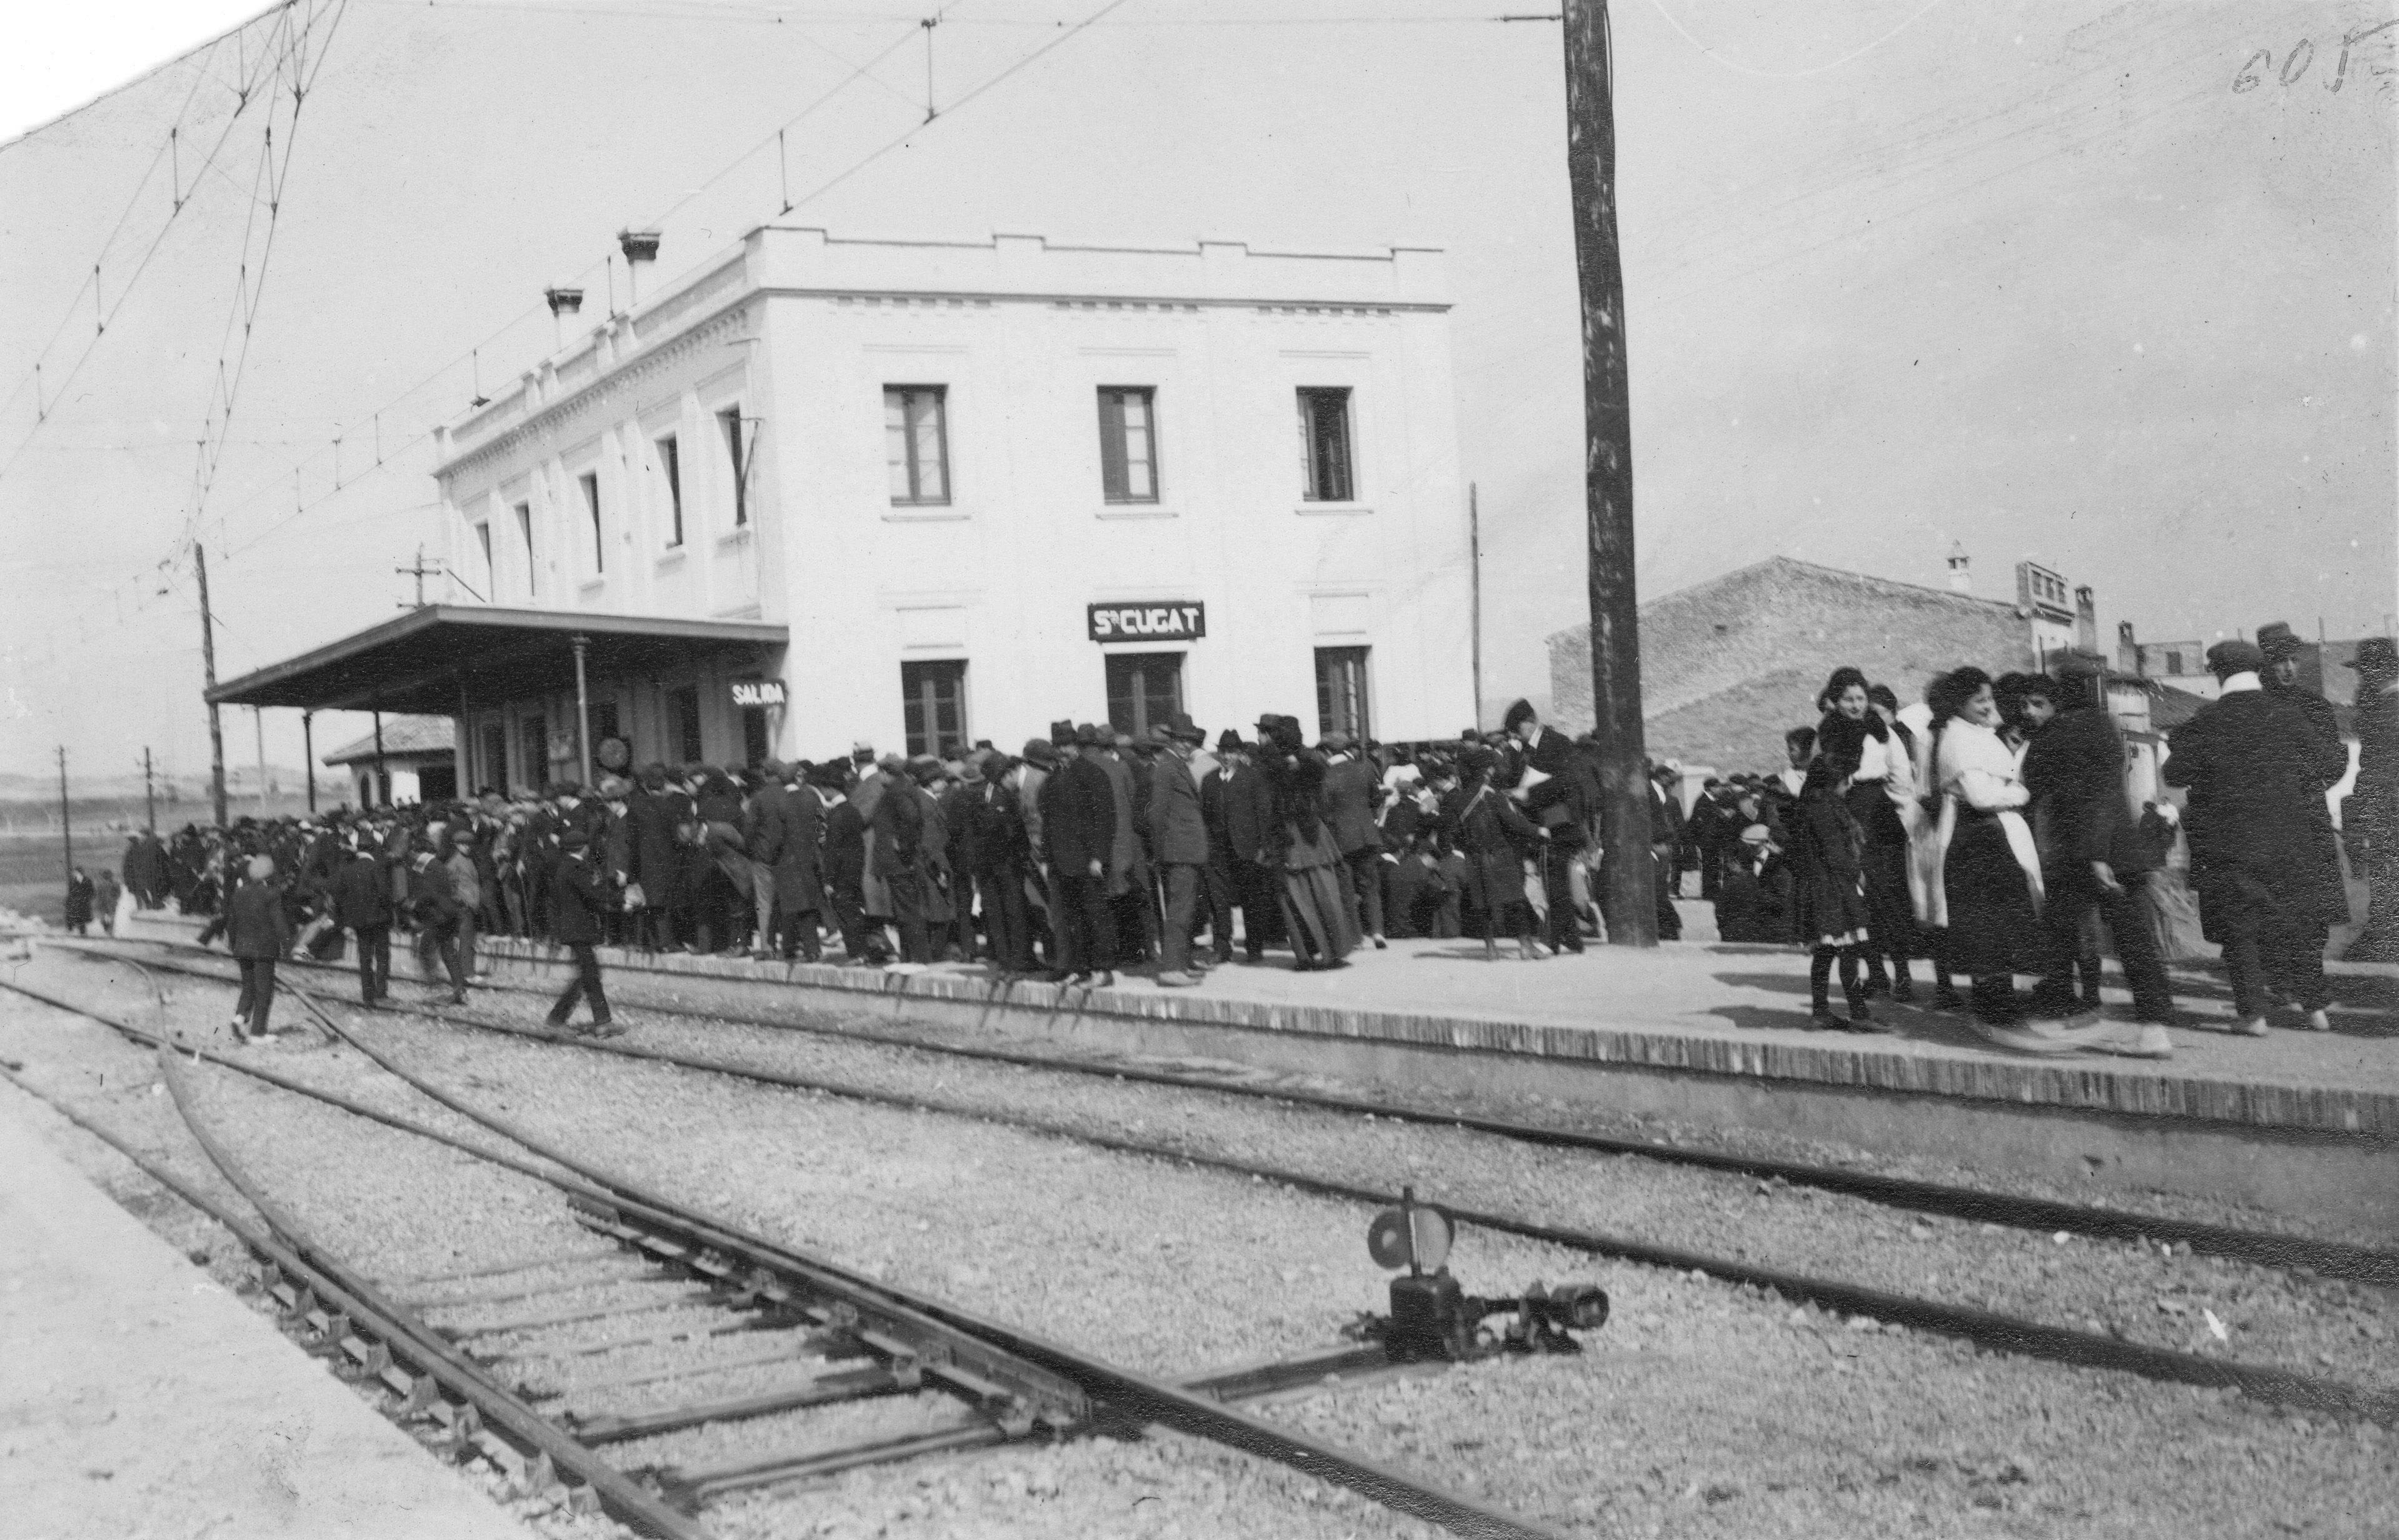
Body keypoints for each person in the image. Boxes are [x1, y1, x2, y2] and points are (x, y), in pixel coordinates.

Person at [2163, 639, 2350, 1034]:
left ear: (2218, 673)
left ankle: (2253, 1016)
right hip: (2292, 838)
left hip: (2228, 843)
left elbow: (2175, 775)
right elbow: (2331, 762)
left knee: (2240, 929)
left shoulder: (2207, 720)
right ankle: (2315, 1010)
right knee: (2296, 921)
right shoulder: (2286, 713)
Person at [2020, 654, 2176, 1058]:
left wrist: (2093, 854)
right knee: (2134, 939)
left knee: (2061, 934)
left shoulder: (2061, 732)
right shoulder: (2105, 726)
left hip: (2083, 853)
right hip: (2118, 848)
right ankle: (2153, 1026)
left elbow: (2064, 790)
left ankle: (2059, 1012)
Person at [1925, 667, 2057, 1046]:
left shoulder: (1978, 735)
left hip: (1991, 837)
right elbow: (1982, 797)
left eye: (1989, 699)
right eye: (1979, 701)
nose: (1988, 707)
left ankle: (2000, 1009)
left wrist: (2011, 788)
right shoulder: (1958, 740)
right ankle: (1994, 1013)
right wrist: (2020, 794)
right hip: (1977, 838)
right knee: (1987, 927)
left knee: (2001, 924)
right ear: (1959, 705)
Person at [1789, 668, 1883, 1031]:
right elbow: (1836, 854)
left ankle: (1820, 1011)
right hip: (1835, 891)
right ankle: (1859, 1014)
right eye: (1846, 782)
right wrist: (1855, 877)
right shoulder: (1827, 807)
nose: (1849, 788)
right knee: (1848, 951)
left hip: (1821, 889)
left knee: (1825, 953)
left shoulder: (1812, 803)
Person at [1500, 699, 1592, 954]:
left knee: (1554, 883)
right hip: (1548, 820)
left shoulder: (1558, 743)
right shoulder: (1530, 749)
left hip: (1562, 821)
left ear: (1531, 722)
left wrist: (1527, 793)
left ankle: (1550, 940)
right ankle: (1572, 939)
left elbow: (1567, 781)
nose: (1517, 737)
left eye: (1519, 730)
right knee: (1555, 879)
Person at [1440, 742, 1546, 962]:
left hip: (1474, 856)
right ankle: (1526, 947)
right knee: (1515, 901)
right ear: (1487, 770)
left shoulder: (1457, 800)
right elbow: (1513, 822)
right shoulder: (1492, 795)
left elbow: (1451, 833)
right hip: (1499, 853)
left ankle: (1491, 949)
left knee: (1482, 903)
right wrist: (1538, 830)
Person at [1036, 719, 1117, 986]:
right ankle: (1078, 968)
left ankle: (1102, 970)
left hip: (1086, 860)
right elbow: (1047, 822)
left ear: (1077, 746)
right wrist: (1047, 858)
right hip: (1061, 861)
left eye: (1068, 745)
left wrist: (1098, 856)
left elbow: (1105, 818)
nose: (1063, 751)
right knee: (1071, 918)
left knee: (1095, 915)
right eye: (1059, 746)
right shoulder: (1052, 780)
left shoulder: (1093, 774)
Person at [2343, 636, 2399, 962]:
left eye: (2363, 672)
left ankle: (2381, 944)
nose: (2360, 680)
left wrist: (2361, 817)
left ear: (2379, 671)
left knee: (2388, 879)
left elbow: (2377, 771)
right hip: (2386, 806)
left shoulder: (2385, 710)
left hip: (2388, 810)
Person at [1146, 712, 1212, 986]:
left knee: (1185, 909)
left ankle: (1180, 962)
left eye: (1190, 741)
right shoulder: (1167, 768)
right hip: (1178, 851)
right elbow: (1157, 814)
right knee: (1179, 910)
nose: (1186, 745)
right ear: (1171, 740)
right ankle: (1171, 968)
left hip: (1187, 850)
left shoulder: (1177, 765)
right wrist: (1160, 851)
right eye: (1181, 740)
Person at [1203, 731, 1280, 963]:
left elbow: (1264, 814)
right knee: (1219, 900)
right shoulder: (1209, 780)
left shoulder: (1253, 778)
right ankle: (1222, 946)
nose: (1227, 757)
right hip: (1218, 850)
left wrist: (1263, 846)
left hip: (1246, 848)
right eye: (1224, 752)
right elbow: (1205, 815)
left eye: (1232, 752)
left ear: (1239, 753)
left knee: (1251, 899)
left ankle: (1254, 947)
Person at [544, 828, 621, 1036]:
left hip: (573, 929)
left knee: (587, 976)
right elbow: (593, 893)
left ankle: (597, 1022)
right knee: (590, 976)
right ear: (584, 848)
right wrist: (622, 898)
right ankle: (567, 1021)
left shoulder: (564, 867)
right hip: (578, 929)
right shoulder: (576, 868)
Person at [1320, 730, 1387, 950]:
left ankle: (1356, 937)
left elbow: (1324, 810)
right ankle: (1378, 933)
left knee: (1346, 888)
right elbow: (1377, 798)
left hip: (1342, 838)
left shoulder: (1326, 776)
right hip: (1368, 834)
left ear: (1328, 751)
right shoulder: (1365, 768)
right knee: (1371, 885)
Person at [225, 854, 291, 1042]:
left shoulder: (239, 893)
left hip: (242, 948)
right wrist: (289, 947)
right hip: (263, 950)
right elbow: (280, 924)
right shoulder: (272, 894)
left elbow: (232, 923)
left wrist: (233, 944)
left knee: (248, 987)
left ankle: (239, 1017)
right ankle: (258, 1032)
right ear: (268, 874)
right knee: (264, 991)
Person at [406, 838, 469, 1006]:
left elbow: (428, 893)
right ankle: (459, 988)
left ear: (419, 852)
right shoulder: (435, 865)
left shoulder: (428, 867)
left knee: (426, 949)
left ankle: (434, 983)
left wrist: (415, 904)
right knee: (448, 951)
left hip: (437, 916)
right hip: (447, 914)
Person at [330, 839, 394, 1006]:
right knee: (382, 956)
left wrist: (347, 918)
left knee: (365, 958)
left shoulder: (348, 870)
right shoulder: (376, 868)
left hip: (359, 921)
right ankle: (381, 991)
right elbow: (385, 894)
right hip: (379, 920)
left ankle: (368, 995)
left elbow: (338, 897)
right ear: (372, 852)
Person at [62, 867, 94, 935]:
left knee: (82, 919)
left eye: (75, 872)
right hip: (76, 903)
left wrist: (87, 898)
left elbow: (92, 891)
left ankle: (83, 932)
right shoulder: (74, 881)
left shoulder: (87, 880)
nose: (74, 874)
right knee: (75, 917)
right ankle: (75, 931)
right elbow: (72, 892)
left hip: (84, 903)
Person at [93, 867, 122, 936]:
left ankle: (110, 932)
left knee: (112, 919)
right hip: (102, 904)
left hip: (111, 904)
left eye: (108, 875)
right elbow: (97, 894)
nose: (107, 877)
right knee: (102, 919)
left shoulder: (115, 884)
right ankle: (107, 928)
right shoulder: (100, 885)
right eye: (105, 876)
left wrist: (114, 899)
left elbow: (119, 893)